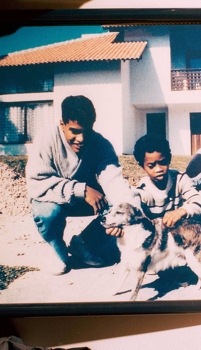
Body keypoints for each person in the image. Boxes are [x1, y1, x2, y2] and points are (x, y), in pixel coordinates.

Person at [26, 95, 136, 275]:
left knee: (123, 205)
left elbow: (114, 181)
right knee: (46, 213)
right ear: (62, 124)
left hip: (89, 202)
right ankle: (56, 247)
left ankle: (84, 243)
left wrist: (125, 215)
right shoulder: (45, 139)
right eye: (74, 131)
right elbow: (37, 183)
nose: (81, 138)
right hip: (54, 201)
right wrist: (81, 189)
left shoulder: (101, 144)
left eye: (87, 130)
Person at [129, 133, 201, 228]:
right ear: (142, 166)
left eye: (162, 162)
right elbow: (131, 208)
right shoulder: (143, 190)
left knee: (199, 216)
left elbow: (199, 203)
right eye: (151, 166)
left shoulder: (179, 179)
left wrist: (182, 211)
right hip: (157, 236)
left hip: (179, 231)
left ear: (169, 158)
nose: (158, 169)